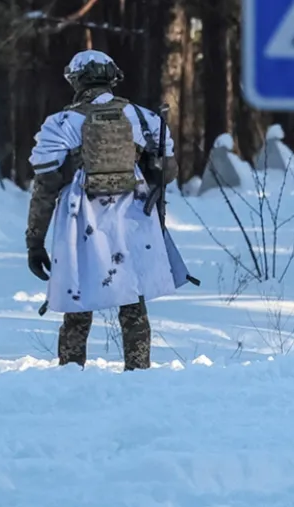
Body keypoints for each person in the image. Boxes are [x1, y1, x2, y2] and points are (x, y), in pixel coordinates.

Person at [25, 49, 190, 371]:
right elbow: (168, 171)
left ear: (75, 80)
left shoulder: (60, 123)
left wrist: (35, 241)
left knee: (78, 294)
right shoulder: (145, 118)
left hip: (80, 219)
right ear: (113, 78)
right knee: (133, 297)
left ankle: (72, 372)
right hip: (134, 216)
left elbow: (45, 187)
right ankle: (138, 371)